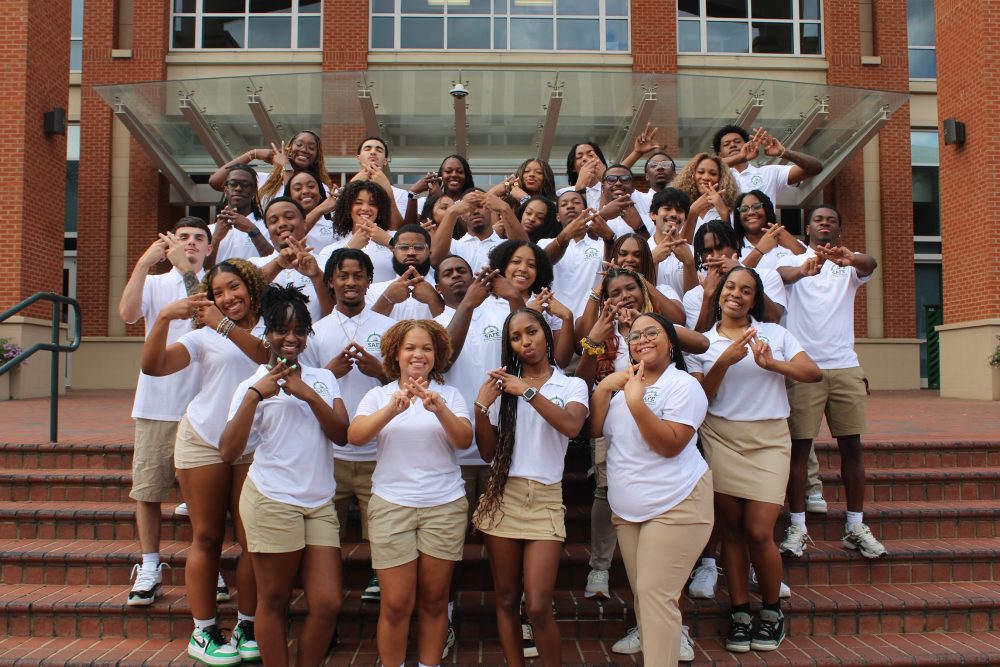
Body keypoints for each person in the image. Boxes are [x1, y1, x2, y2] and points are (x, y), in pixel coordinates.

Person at [140, 259, 271, 666]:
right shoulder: (201, 337)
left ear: (250, 286)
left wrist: (223, 324)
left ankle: (247, 624)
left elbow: (265, 355)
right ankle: (204, 631)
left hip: (256, 444)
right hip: (204, 441)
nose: (227, 298)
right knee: (208, 536)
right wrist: (163, 318)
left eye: (234, 287)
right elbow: (153, 365)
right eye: (218, 293)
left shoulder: (272, 326)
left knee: (254, 541)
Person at [688, 266, 821, 653]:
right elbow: (702, 398)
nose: (737, 295)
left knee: (760, 531)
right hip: (722, 436)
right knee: (731, 531)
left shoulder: (775, 334)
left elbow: (812, 373)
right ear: (719, 292)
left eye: (746, 290)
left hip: (769, 440)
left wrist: (772, 364)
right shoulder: (702, 343)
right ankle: (740, 612)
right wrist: (724, 362)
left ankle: (772, 611)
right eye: (730, 286)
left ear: (755, 297)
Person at [220, 284, 351, 667]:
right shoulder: (252, 384)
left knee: (327, 602)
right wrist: (255, 396)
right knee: (274, 600)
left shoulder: (323, 379)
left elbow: (341, 434)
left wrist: (307, 393)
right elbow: (229, 451)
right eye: (282, 330)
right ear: (268, 333)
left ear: (308, 335)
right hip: (272, 500)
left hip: (318, 502)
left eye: (299, 331)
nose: (291, 338)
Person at [589, 312, 713, 667]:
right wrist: (603, 388)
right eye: (634, 335)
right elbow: (596, 430)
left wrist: (635, 402)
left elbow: (671, 444)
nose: (641, 339)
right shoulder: (624, 385)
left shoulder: (684, 386)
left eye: (652, 333)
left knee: (655, 595)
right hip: (628, 510)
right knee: (647, 600)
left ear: (671, 342)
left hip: (677, 503)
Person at [348, 320, 473, 667]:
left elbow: (464, 440)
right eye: (410, 348)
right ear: (395, 354)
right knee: (396, 603)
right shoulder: (377, 395)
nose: (418, 354)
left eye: (427, 348)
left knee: (434, 601)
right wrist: (392, 408)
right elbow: (355, 435)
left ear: (438, 355)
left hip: (444, 506)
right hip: (392, 506)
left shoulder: (450, 395)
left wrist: (440, 409)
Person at [472, 309, 589, 666]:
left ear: (547, 334)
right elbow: (488, 452)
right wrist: (480, 408)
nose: (526, 342)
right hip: (503, 495)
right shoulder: (503, 386)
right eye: (516, 337)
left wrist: (527, 391)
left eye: (532, 332)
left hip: (545, 498)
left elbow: (571, 426)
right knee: (506, 599)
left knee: (538, 605)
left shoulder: (570, 384)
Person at [776, 205, 887, 559]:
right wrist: (805, 266)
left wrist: (851, 258)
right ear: (808, 227)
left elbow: (871, 265)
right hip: (804, 367)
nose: (825, 224)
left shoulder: (848, 266)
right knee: (799, 449)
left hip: (844, 366)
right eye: (819, 219)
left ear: (838, 229)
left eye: (832, 220)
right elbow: (783, 275)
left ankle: (855, 524)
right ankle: (797, 526)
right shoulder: (792, 259)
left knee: (852, 448)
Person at [432, 256, 523, 658]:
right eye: (448, 273)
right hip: (450, 453)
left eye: (462, 271)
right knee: (448, 544)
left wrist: (515, 298)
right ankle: (446, 617)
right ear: (437, 284)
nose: (456, 277)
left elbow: (528, 347)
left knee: (508, 539)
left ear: (476, 277)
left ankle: (518, 614)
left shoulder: (501, 311)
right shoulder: (432, 321)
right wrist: (466, 304)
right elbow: (443, 358)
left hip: (496, 449)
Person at [118, 219, 210, 607]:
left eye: (199, 239)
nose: (190, 243)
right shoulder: (155, 284)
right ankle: (151, 564)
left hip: (204, 405)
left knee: (205, 496)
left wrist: (188, 271)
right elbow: (125, 314)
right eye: (183, 238)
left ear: (209, 248)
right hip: (157, 402)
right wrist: (144, 263)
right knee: (150, 489)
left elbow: (207, 314)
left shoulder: (215, 281)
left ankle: (209, 566)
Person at [300, 248, 395, 605]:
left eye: (358, 276)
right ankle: (327, 585)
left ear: (370, 281)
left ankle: (379, 573)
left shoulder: (387, 328)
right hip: (330, 450)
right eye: (343, 276)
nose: (351, 282)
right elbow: (302, 385)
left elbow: (408, 384)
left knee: (382, 524)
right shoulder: (316, 332)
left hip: (379, 449)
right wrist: (329, 372)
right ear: (330, 282)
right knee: (327, 530)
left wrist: (381, 372)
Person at [683, 221, 786, 333]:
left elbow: (773, 319)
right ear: (701, 257)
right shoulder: (692, 296)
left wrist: (740, 272)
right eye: (708, 251)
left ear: (736, 244)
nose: (716, 256)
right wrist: (709, 295)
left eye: (720, 247)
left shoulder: (768, 276)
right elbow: (700, 344)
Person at [488, 240, 575, 368]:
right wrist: (528, 313)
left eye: (531, 265)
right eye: (516, 262)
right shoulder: (486, 303)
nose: (523, 269)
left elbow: (561, 362)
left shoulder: (549, 304)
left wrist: (567, 318)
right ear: (503, 265)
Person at [248, 197, 333, 323]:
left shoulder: (327, 262)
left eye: (289, 217)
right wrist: (278, 264)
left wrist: (317, 276)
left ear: (305, 223)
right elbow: (245, 296)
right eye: (273, 221)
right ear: (268, 230)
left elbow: (334, 316)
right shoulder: (253, 264)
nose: (282, 223)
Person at [208, 130, 332, 206]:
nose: (304, 150)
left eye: (311, 147)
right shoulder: (263, 180)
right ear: (288, 148)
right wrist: (252, 154)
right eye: (299, 145)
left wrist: (286, 166)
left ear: (317, 157)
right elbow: (215, 182)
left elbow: (292, 204)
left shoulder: (320, 189)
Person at [541, 192, 615, 318]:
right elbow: (541, 263)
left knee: (585, 340)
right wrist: (565, 236)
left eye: (576, 202)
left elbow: (612, 273)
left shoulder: (601, 245)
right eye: (564, 204)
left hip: (590, 322)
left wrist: (610, 238)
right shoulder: (544, 243)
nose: (570, 206)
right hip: (555, 322)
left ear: (586, 212)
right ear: (558, 217)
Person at [713, 125, 822, 204]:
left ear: (748, 144)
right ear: (719, 155)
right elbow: (697, 167)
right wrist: (740, 157)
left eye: (737, 141)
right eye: (726, 144)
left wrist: (784, 152)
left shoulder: (769, 172)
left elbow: (815, 168)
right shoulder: (713, 178)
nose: (732, 145)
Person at [316, 180, 396, 284]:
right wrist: (349, 249)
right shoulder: (331, 249)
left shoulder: (396, 238)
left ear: (380, 210)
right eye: (358, 203)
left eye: (373, 204)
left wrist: (390, 242)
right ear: (348, 208)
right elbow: (325, 283)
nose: (365, 208)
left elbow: (415, 263)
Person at [430, 189, 528, 271]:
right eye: (469, 208)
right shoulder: (453, 245)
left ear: (491, 209)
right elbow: (435, 261)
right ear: (462, 214)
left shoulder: (505, 245)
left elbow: (526, 252)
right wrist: (451, 212)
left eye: (480, 206)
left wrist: (504, 208)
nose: (475, 211)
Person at [368, 224, 447, 320]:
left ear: (429, 253)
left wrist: (434, 300)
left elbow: (457, 332)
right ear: (394, 251)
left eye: (418, 247)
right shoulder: (372, 291)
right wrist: (386, 299)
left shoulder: (445, 290)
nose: (411, 253)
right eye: (404, 247)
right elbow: (364, 331)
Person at [207, 165, 272, 265]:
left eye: (245, 185)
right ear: (225, 189)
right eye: (233, 184)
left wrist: (251, 230)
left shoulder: (268, 227)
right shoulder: (208, 230)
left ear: (255, 191)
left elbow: (276, 261)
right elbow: (201, 269)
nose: (238, 188)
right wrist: (215, 238)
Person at [670, 152, 739, 243]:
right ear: (692, 175)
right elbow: (680, 246)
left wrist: (724, 213)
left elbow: (732, 247)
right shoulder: (678, 207)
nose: (706, 177)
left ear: (721, 178)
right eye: (701, 172)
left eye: (713, 174)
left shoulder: (732, 208)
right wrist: (693, 212)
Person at [732, 190, 806, 272]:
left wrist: (793, 243)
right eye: (744, 209)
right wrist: (759, 250)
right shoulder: (732, 247)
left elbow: (815, 270)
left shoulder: (789, 242)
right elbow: (731, 278)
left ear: (767, 210)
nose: (751, 212)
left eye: (756, 207)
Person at [647, 188, 698, 299]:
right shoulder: (640, 250)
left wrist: (689, 262)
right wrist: (652, 260)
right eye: (667, 208)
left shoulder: (695, 253)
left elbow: (695, 298)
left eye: (679, 210)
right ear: (653, 215)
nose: (674, 214)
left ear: (685, 219)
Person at [282, 170, 338, 250]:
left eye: (311, 186)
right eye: (298, 188)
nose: (305, 191)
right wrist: (320, 209)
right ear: (289, 197)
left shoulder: (334, 226)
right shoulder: (283, 225)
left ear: (320, 194)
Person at [556, 141, 609, 210]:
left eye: (590, 155)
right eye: (579, 157)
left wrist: (605, 178)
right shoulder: (563, 193)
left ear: (601, 162)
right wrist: (580, 188)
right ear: (573, 167)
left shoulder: (613, 187)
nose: (585, 158)